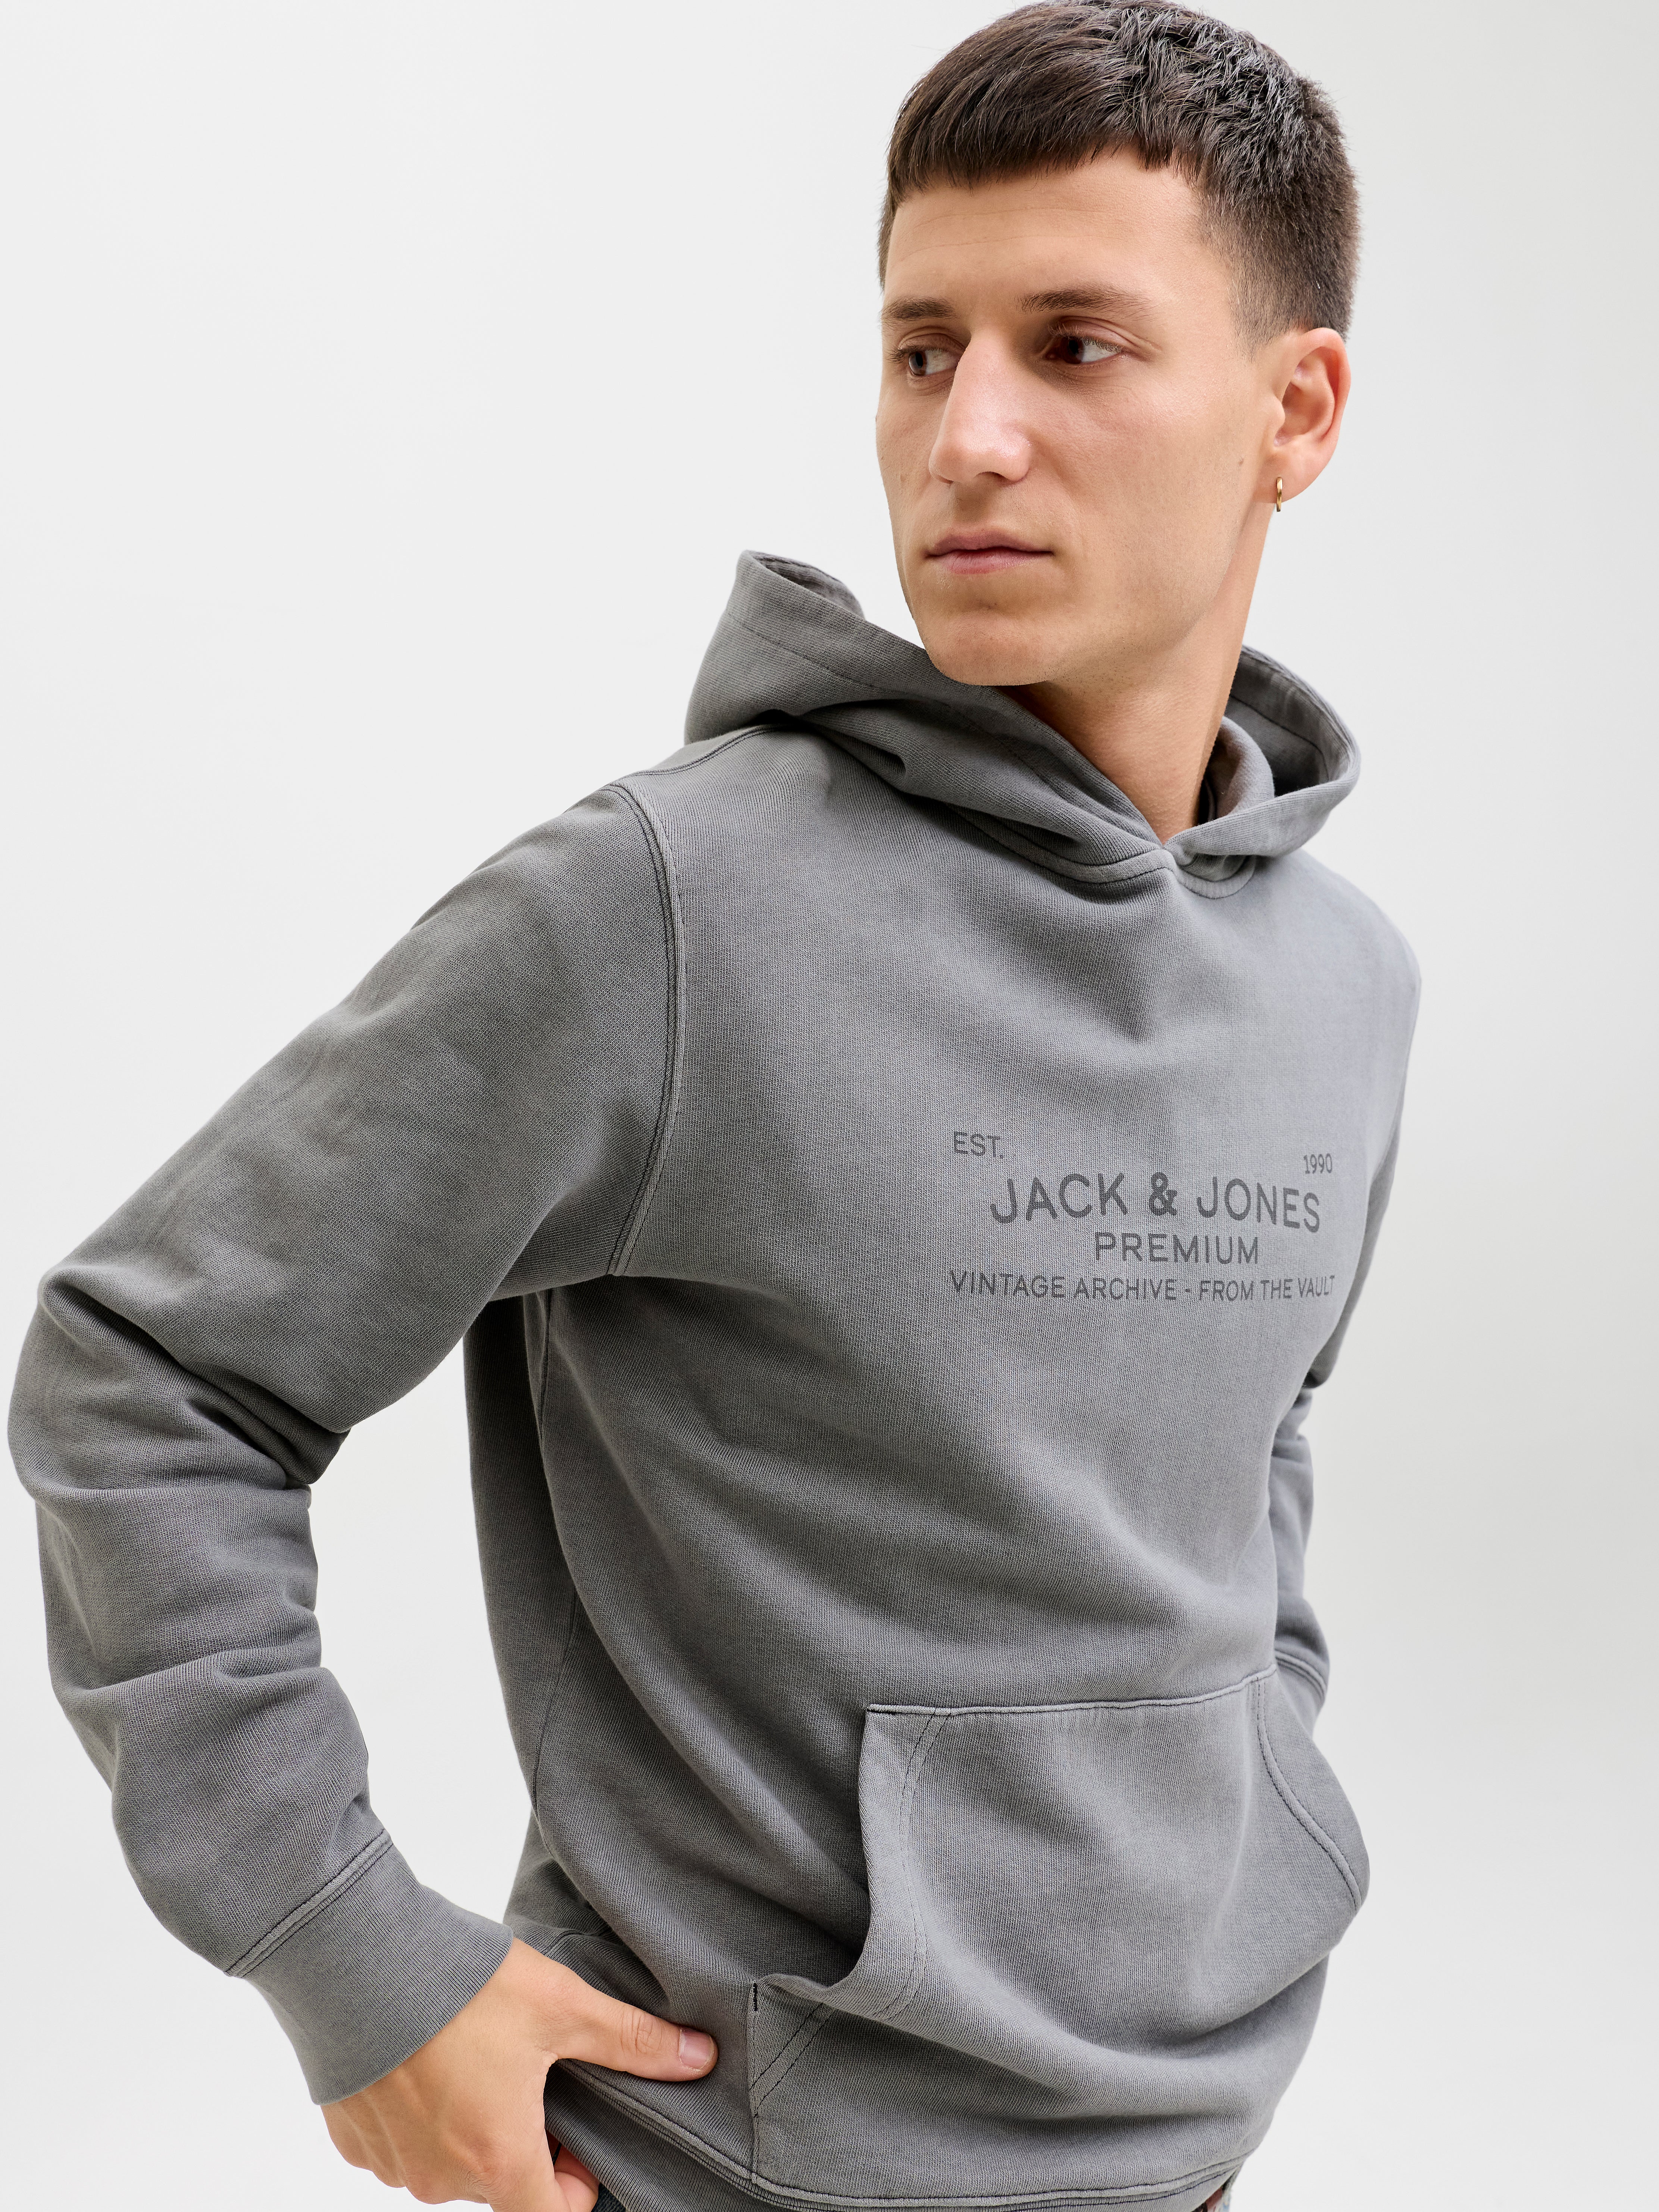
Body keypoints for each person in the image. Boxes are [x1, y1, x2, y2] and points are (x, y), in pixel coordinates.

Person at [10, 6, 1418, 2211]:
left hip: (1196, 2137)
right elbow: (147, 1375)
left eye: (1074, 347)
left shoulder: (1345, 982)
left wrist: (1256, 1799)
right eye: (924, 350)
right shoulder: (674, 911)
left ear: (1296, 408)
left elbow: (1247, 1455)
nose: (971, 436)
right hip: (722, 2158)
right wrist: (349, 1954)